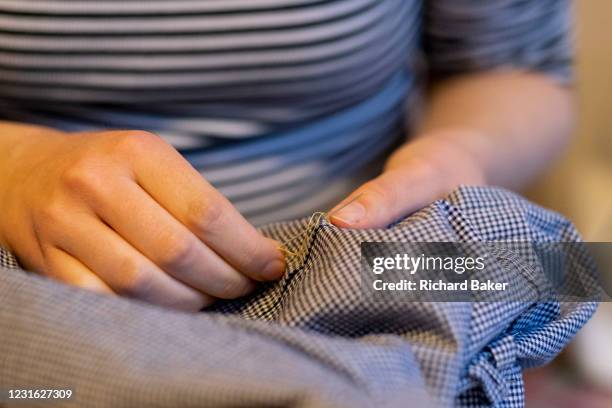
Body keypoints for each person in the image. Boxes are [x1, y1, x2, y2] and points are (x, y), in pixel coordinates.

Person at [0, 0, 574, 311]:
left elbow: (516, 67)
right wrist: (15, 163)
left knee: (570, 270)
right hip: (41, 283)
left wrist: (463, 153)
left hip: (370, 261)